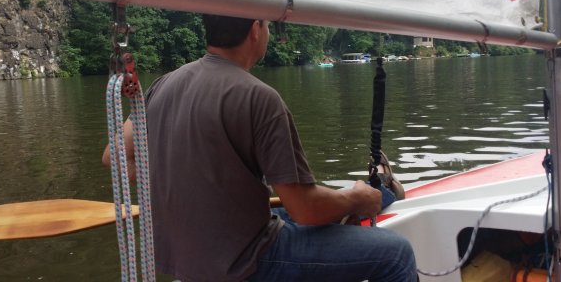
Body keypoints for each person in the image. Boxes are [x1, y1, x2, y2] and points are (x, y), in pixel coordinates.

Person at [102, 15, 417, 281]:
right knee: (396, 252)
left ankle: (383, 191)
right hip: (245, 265)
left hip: (186, 259)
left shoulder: (163, 84)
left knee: (288, 210)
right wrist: (354, 198)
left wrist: (176, 180)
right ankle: (377, 191)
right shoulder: (260, 97)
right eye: (267, 25)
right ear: (256, 29)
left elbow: (113, 156)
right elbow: (306, 210)